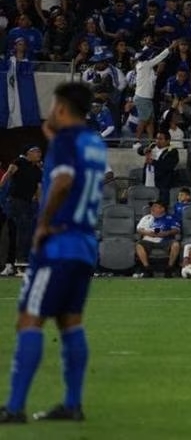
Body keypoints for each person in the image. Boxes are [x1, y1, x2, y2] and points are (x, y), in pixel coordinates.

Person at [1, 82, 107, 424]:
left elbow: (61, 182)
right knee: (70, 321)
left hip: (59, 242)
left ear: (62, 108)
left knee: (30, 319)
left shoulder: (63, 143)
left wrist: (43, 225)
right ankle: (72, 403)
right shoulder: (93, 143)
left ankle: (14, 407)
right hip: (84, 244)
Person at [0, 146, 43, 277]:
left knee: (21, 232)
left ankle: (14, 265)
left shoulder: (37, 170)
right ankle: (16, 265)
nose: (39, 154)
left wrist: (40, 205)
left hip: (27, 203)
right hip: (15, 201)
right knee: (17, 232)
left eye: (40, 152)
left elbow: (38, 189)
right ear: (28, 153)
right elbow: (8, 175)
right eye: (36, 152)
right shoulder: (18, 162)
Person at [133, 200, 181, 278]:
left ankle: (169, 268)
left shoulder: (170, 218)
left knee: (176, 245)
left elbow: (176, 229)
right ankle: (147, 268)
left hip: (165, 240)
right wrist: (148, 233)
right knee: (138, 245)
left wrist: (166, 233)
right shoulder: (146, 217)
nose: (152, 208)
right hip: (148, 240)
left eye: (155, 206)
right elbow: (139, 229)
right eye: (152, 206)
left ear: (162, 209)